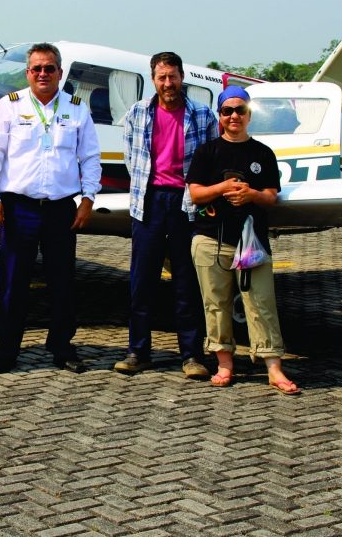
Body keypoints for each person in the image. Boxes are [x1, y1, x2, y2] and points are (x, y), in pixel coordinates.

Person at [0, 43, 102, 374]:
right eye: (37, 69)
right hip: (19, 208)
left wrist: (88, 198)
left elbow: (90, 156)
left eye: (50, 68)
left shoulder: (77, 109)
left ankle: (62, 348)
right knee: (13, 282)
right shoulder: (9, 106)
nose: (43, 74)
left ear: (60, 73)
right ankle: (6, 350)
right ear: (28, 73)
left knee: (62, 281)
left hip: (61, 209)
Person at [186, 86, 299, 394]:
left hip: (251, 242)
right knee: (215, 304)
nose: (234, 115)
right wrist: (223, 187)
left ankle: (273, 366)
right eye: (227, 111)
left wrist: (251, 194)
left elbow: (271, 197)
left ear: (249, 114)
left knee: (261, 302)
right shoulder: (206, 152)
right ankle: (225, 363)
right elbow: (195, 194)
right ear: (220, 116)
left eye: (240, 110)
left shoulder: (263, 153)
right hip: (211, 239)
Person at [118, 52, 217, 379]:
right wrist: (147, 189)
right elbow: (131, 159)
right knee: (141, 280)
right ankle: (138, 351)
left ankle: (191, 356)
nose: (168, 83)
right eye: (162, 77)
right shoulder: (137, 113)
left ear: (182, 77)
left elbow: (212, 162)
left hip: (186, 204)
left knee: (186, 282)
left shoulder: (203, 116)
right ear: (153, 79)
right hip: (148, 202)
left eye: (173, 76)